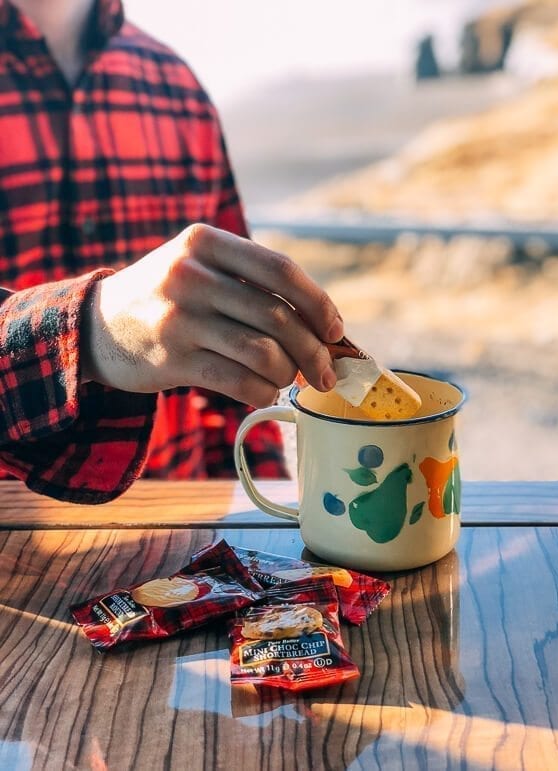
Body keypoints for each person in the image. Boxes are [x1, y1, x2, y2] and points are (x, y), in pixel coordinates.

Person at [0, 0, 300, 481]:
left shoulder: (179, 89)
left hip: (183, 544)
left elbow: (236, 382)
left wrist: (261, 524)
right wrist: (88, 332)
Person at [0, 223, 344, 503]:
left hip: (195, 538)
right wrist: (86, 329)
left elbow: (240, 368)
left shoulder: (200, 134)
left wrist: (262, 521)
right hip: (20, 537)